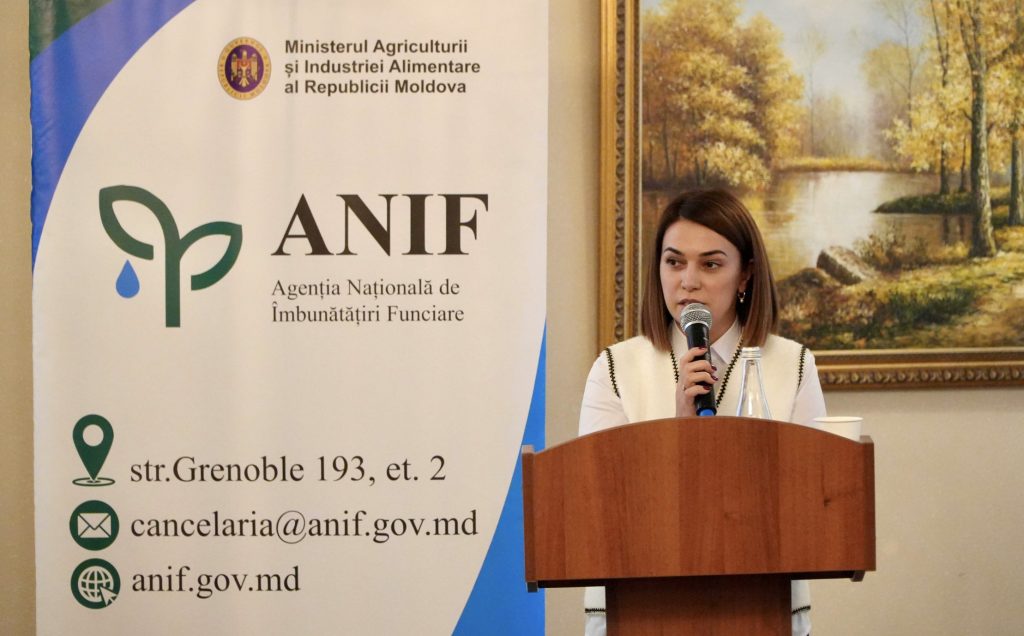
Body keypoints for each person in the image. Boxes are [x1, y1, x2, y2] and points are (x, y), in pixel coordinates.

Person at [578, 189, 825, 636]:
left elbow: (812, 501)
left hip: (763, 607)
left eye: (710, 265)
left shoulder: (793, 364)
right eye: (674, 262)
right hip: (637, 609)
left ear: (745, 274)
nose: (688, 281)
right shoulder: (615, 368)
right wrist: (678, 433)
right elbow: (597, 508)